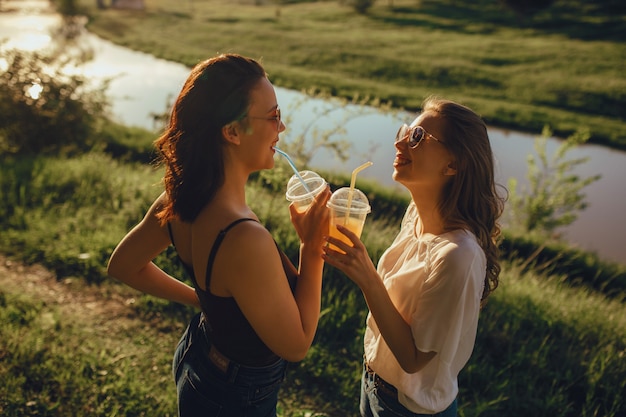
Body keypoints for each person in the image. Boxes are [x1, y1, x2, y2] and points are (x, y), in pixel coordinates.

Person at [107, 53, 330, 417]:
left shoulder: (180, 197)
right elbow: (297, 344)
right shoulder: (244, 238)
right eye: (273, 116)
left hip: (200, 360)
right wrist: (312, 247)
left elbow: (124, 265)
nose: (282, 128)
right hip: (237, 396)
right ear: (231, 131)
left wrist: (205, 300)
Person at [322, 97, 505, 417]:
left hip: (410, 409)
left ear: (453, 164)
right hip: (374, 383)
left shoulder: (457, 257)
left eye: (417, 137)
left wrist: (367, 277)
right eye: (406, 131)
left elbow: (413, 359)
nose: (399, 141)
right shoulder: (416, 216)